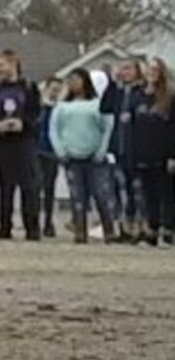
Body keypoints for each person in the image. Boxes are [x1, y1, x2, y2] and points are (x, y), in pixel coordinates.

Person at [52, 68, 120, 243]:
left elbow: (107, 128)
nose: (74, 84)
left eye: (77, 79)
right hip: (71, 157)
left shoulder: (98, 104)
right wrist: (60, 150)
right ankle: (80, 231)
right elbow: (54, 130)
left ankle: (109, 230)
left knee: (101, 194)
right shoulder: (62, 107)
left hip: (94, 157)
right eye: (70, 80)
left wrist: (102, 150)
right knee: (77, 196)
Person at [0, 48, 44, 240]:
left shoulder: (28, 88)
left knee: (29, 186)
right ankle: (4, 226)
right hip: (4, 143)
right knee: (5, 186)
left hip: (24, 142)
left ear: (13, 64)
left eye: (1, 65)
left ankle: (32, 228)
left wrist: (23, 124)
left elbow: (36, 114)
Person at [102, 57, 148, 242]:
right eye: (122, 69)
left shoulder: (142, 92)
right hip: (118, 148)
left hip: (137, 148)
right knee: (120, 190)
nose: (124, 72)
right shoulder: (119, 92)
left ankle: (141, 226)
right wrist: (112, 84)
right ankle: (124, 227)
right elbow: (104, 108)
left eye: (128, 68)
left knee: (138, 191)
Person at [134, 57, 174, 246]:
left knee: (165, 193)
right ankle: (152, 229)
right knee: (148, 194)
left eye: (155, 70)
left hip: (163, 153)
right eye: (149, 70)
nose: (151, 73)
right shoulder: (139, 95)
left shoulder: (169, 97)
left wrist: (172, 155)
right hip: (143, 152)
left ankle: (168, 229)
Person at [35, 75, 64, 239]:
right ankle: (35, 221)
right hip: (37, 151)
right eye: (53, 89)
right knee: (35, 186)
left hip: (52, 152)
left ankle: (48, 222)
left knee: (49, 188)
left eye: (58, 90)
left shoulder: (60, 108)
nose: (55, 93)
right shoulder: (39, 107)